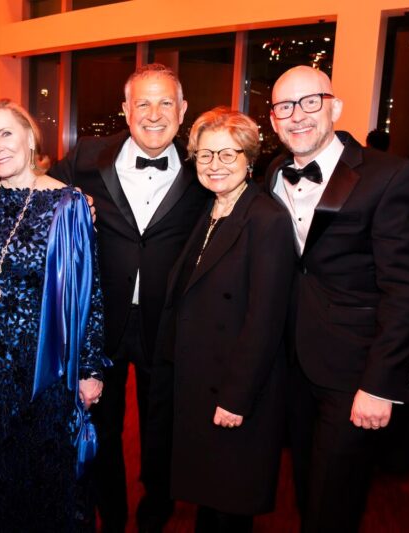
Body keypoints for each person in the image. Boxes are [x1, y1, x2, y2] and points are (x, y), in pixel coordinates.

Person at [266, 65, 409, 532]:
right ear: (274, 121)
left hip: (355, 372)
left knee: (334, 502)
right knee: (304, 489)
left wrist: (381, 383)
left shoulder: (390, 175)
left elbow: (406, 289)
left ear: (334, 107)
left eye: (310, 102)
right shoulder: (274, 172)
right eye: (284, 107)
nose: (297, 116)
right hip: (294, 362)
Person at [51, 63, 208, 532]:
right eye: (143, 102)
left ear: (183, 111)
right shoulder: (85, 157)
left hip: (172, 323)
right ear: (125, 109)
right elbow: (38, 193)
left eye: (165, 103)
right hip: (104, 320)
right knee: (103, 429)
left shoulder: (207, 165)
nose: (154, 114)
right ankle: (111, 517)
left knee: (165, 431)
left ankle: (155, 515)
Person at [0, 98, 107, 532]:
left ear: (29, 137)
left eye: (6, 133)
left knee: (38, 479)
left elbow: (90, 293)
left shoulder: (68, 205)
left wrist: (90, 370)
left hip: (44, 366)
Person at [152, 107, 294, 532]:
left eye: (228, 155)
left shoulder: (266, 220)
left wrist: (236, 397)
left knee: (229, 505)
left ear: (250, 159)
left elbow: (264, 321)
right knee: (209, 500)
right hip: (200, 382)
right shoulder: (211, 211)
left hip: (234, 388)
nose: (215, 165)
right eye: (206, 155)